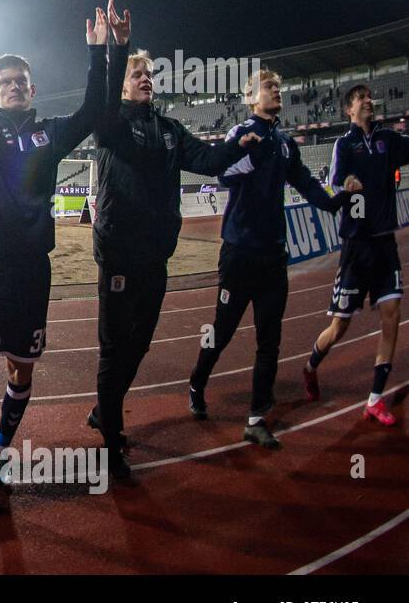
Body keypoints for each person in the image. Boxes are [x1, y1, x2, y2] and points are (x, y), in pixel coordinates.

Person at [0, 0, 115, 513]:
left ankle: (1, 454)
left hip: (32, 274)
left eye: (20, 81)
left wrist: (100, 52)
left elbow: (94, 109)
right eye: (4, 82)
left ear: (31, 90)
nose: (13, 87)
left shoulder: (50, 135)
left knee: (21, 373)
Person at [86, 44, 260, 476]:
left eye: (149, 74)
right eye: (136, 74)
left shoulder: (169, 129)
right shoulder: (110, 124)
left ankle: (102, 412)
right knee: (114, 348)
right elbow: (105, 110)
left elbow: (207, 159)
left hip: (156, 255)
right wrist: (117, 49)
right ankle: (111, 441)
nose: (145, 79)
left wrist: (239, 141)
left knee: (140, 343)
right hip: (119, 255)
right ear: (121, 86)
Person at [187, 70, 357, 449]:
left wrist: (335, 199)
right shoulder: (240, 135)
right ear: (251, 96)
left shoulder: (284, 143)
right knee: (223, 330)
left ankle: (256, 418)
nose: (277, 91)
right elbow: (223, 176)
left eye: (279, 86)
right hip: (239, 253)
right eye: (268, 86)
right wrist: (248, 156)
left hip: (273, 256)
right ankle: (198, 381)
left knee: (270, 339)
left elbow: (306, 184)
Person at [302, 84, 405, 425]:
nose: (369, 101)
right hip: (356, 248)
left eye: (370, 98)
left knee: (391, 313)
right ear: (349, 109)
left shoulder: (388, 140)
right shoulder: (343, 144)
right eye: (362, 98)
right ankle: (311, 365)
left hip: (385, 244)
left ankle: (374, 399)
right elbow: (333, 180)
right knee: (339, 326)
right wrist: (345, 182)